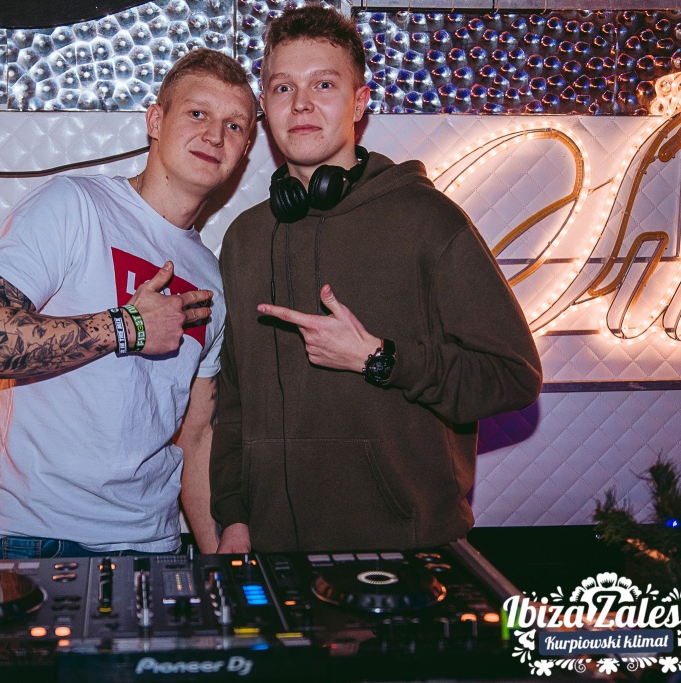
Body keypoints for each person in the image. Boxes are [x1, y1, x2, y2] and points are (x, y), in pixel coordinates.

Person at [210, 6, 542, 553]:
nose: (301, 104)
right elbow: (234, 403)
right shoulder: (245, 238)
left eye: (324, 84)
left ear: (360, 102)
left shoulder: (427, 220)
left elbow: (512, 377)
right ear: (265, 106)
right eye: (283, 87)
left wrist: (380, 358)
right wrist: (235, 515)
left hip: (404, 550)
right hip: (269, 549)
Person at [0, 49, 257, 558]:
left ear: (245, 150)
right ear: (155, 121)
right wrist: (127, 326)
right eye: (197, 113)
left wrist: (215, 552)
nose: (215, 136)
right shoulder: (75, 205)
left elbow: (196, 437)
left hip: (157, 545)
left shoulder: (210, 279)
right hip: (41, 540)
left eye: (234, 125)